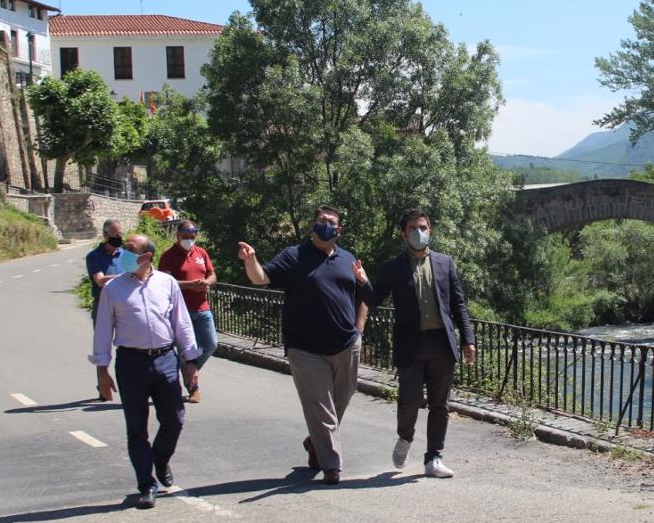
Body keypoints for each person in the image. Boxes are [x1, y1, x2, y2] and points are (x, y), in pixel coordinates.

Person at [238, 206, 371, 485]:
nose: (326, 225)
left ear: (339, 229)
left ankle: (315, 442)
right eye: (321, 221)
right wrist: (251, 261)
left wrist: (359, 331)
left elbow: (364, 296)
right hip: (305, 347)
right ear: (313, 225)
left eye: (331, 222)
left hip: (346, 344)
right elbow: (261, 278)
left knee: (339, 404)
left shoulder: (348, 259)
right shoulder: (294, 256)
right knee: (321, 407)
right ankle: (331, 465)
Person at [90, 234, 200, 509]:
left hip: (165, 359)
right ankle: (146, 484)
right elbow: (103, 329)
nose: (123, 254)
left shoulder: (167, 283)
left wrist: (191, 362)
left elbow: (182, 323)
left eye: (130, 250)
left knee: (174, 419)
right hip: (131, 362)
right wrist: (102, 371)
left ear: (147, 256)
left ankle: (159, 459)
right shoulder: (113, 288)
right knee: (137, 428)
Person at [368, 208, 476, 478]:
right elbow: (374, 299)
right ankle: (405, 437)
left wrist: (468, 339)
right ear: (404, 233)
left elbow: (458, 303)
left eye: (424, 227)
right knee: (410, 400)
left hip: (441, 342)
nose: (420, 232)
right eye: (414, 228)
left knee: (440, 404)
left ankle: (434, 458)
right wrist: (360, 283)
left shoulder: (445, 263)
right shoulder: (393, 267)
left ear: (431, 230)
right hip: (411, 344)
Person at [158, 220, 217, 403]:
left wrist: (207, 283)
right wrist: (189, 285)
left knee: (210, 344)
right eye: (185, 236)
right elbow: (165, 282)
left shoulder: (201, 253)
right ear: (178, 235)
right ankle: (193, 388)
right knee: (186, 350)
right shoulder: (168, 255)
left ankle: (190, 372)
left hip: (202, 307)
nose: (189, 240)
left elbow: (212, 274)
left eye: (192, 236)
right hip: (180, 311)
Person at [85, 219, 123, 400]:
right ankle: (103, 383)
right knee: (103, 346)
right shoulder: (94, 256)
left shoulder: (126, 254)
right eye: (115, 235)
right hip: (102, 306)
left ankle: (127, 384)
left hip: (125, 306)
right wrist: (125, 277)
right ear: (105, 235)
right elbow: (100, 280)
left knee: (127, 346)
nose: (118, 238)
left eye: (120, 235)